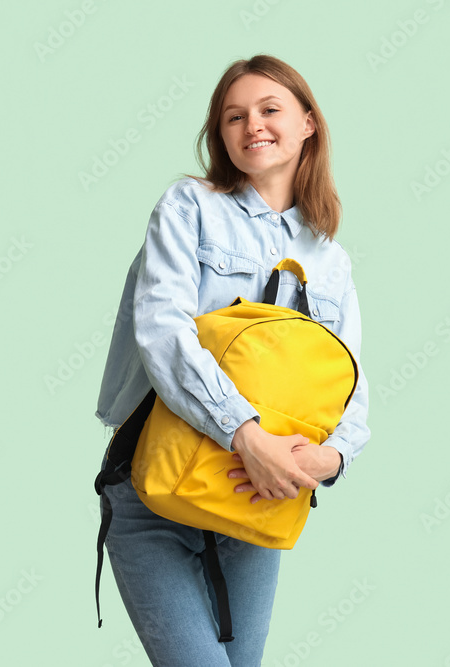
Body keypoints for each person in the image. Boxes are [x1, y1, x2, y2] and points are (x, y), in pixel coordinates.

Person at [94, 53, 371, 666]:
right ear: (220, 136)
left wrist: (329, 458)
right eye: (233, 117)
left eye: (270, 110)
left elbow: (350, 384)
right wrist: (247, 435)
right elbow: (163, 332)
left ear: (308, 124)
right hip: (155, 488)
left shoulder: (330, 257)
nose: (253, 126)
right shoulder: (188, 207)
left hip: (258, 499)